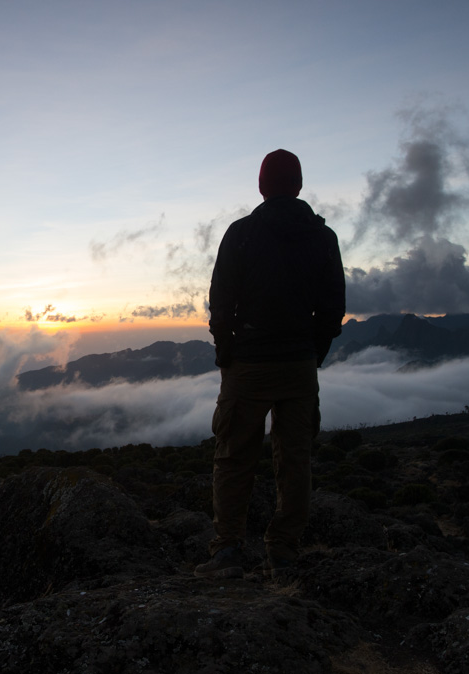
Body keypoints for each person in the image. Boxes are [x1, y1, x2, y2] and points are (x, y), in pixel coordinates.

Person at [194, 149, 345, 579]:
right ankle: (283, 553)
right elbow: (333, 307)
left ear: (261, 186)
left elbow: (221, 302)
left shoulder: (242, 233)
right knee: (295, 460)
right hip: (298, 364)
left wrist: (227, 354)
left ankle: (227, 552)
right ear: (298, 186)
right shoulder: (323, 237)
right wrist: (312, 354)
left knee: (234, 457)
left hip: (249, 364)